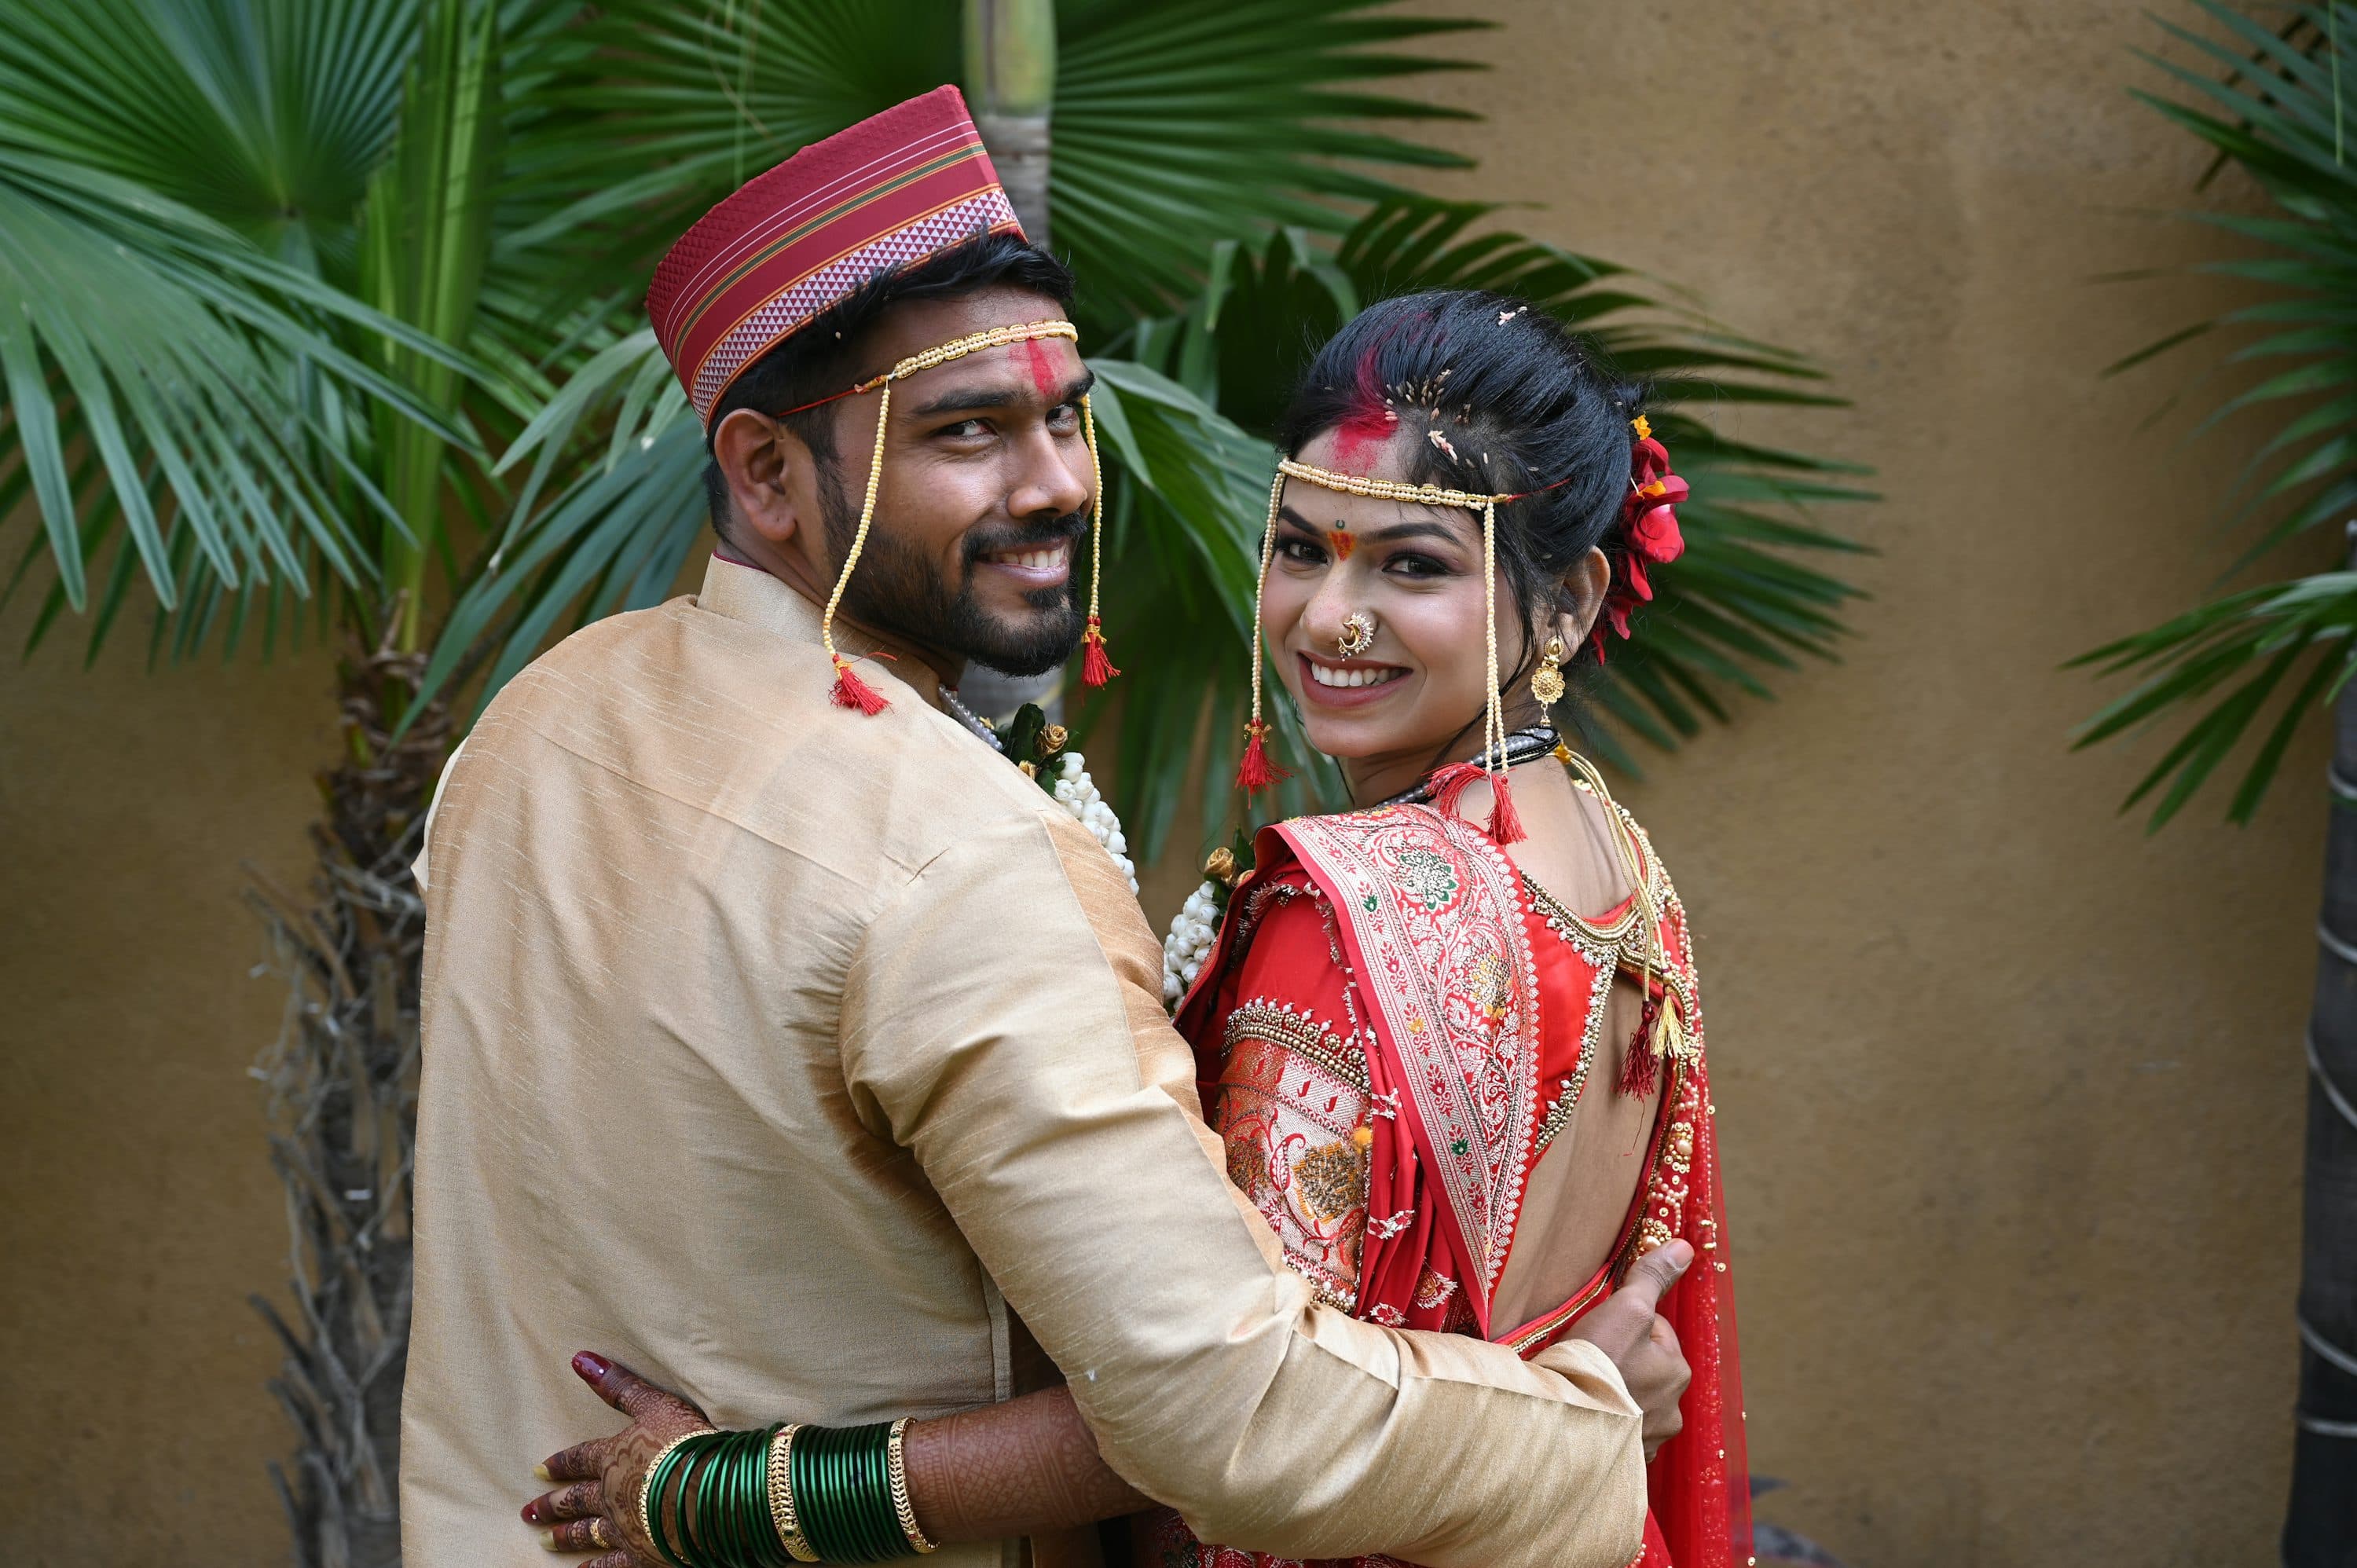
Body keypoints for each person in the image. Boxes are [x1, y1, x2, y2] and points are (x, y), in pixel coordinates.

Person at [402, 86, 1685, 1568]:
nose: (1061, 484)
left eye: (1067, 419)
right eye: (969, 431)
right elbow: (1229, 1411)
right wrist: (1579, 1418)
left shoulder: (536, 720)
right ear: (764, 474)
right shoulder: (956, 850)